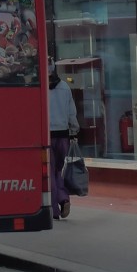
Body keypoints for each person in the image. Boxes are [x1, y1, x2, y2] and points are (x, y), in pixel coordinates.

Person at [48, 59, 79, 219]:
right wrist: (74, 130)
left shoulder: (39, 89)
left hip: (47, 137)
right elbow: (71, 112)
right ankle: (64, 197)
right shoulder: (65, 87)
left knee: (50, 172)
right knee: (60, 170)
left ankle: (54, 208)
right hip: (63, 135)